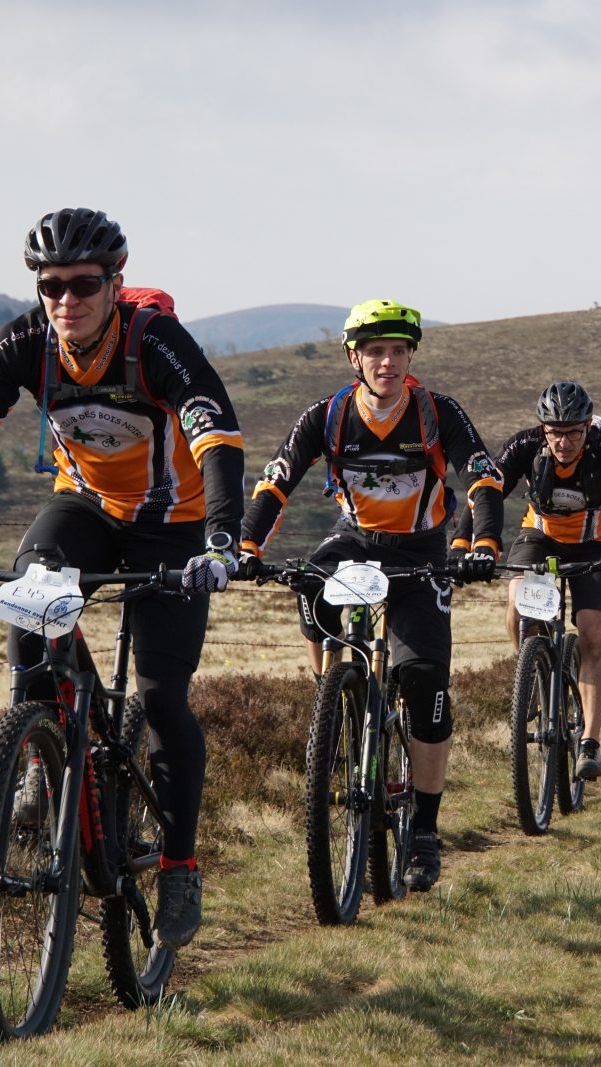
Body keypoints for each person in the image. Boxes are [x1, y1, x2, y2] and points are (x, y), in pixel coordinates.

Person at [0, 208, 244, 949]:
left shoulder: (155, 341)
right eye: (52, 285)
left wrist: (220, 538)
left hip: (174, 520)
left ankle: (178, 862)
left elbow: (216, 430)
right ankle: (40, 753)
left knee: (161, 693)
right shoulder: (24, 344)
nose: (66, 300)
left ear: (114, 284)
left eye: (84, 284)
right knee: (28, 587)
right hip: (86, 504)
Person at [239, 299, 503, 892]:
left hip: (420, 547)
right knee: (308, 594)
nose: (387, 362)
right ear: (355, 358)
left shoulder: (438, 413)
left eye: (398, 352)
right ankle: (337, 706)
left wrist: (483, 541)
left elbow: (482, 476)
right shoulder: (328, 416)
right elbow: (276, 481)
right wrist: (248, 546)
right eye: (375, 352)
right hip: (354, 540)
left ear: (410, 357)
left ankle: (427, 833)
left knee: (426, 680)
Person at [449, 380, 601, 781]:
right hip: (539, 535)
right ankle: (529, 676)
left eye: (574, 432)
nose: (564, 442)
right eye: (556, 433)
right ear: (543, 429)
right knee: (516, 604)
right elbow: (485, 490)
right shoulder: (525, 445)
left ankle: (590, 744)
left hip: (594, 543)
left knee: (592, 631)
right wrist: (462, 543)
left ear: (588, 427)